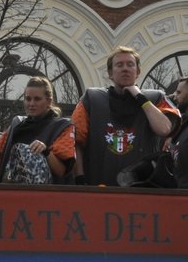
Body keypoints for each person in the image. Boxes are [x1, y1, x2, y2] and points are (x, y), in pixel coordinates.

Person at [72, 46, 179, 186]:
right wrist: (80, 178)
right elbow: (75, 141)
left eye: (130, 64)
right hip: (99, 186)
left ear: (138, 71)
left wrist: (140, 98)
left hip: (143, 189)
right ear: (110, 73)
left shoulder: (156, 98)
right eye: (119, 65)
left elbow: (164, 129)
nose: (125, 69)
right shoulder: (91, 99)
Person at [0, 75, 75, 183]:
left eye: (37, 99)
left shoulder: (62, 126)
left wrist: (46, 151)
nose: (31, 104)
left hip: (46, 196)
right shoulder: (16, 125)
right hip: (12, 194)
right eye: (28, 99)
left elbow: (61, 171)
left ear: (48, 101)